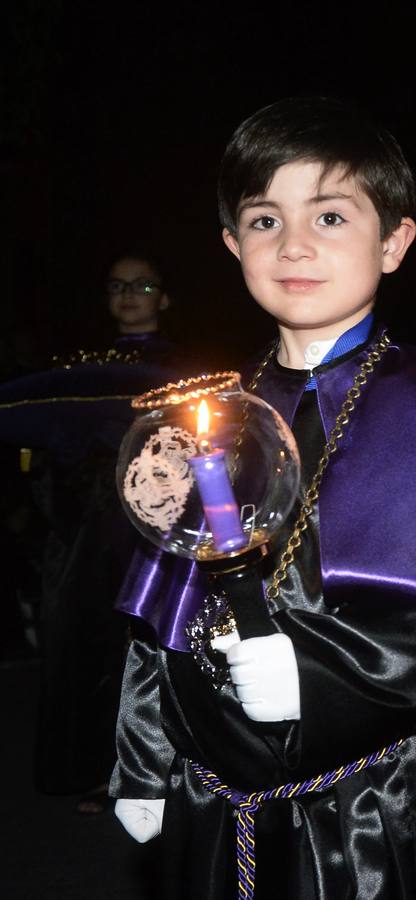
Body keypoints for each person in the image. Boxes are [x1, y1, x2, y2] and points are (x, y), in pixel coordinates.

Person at [108, 97, 416, 900]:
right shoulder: (210, 417)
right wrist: (143, 757)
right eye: (264, 221)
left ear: (394, 241)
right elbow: (165, 598)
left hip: (365, 800)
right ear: (232, 244)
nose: (293, 244)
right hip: (211, 797)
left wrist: (326, 680)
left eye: (330, 216)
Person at [0, 250, 185, 814]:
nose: (129, 294)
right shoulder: (73, 366)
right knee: (77, 648)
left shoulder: (188, 365)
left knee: (144, 649)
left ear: (165, 296)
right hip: (79, 532)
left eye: (143, 284)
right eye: (117, 285)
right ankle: (88, 769)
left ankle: (154, 773)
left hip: (147, 533)